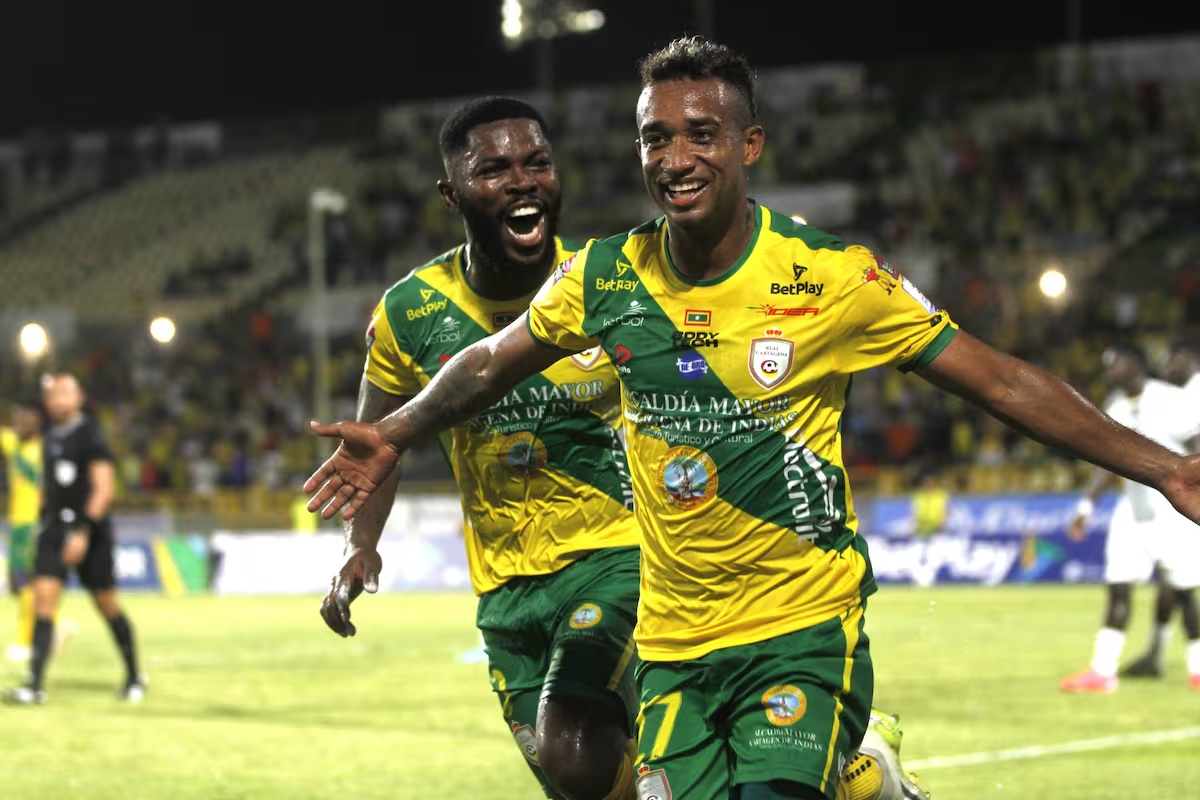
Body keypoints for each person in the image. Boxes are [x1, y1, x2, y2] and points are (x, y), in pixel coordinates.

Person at [303, 37, 1200, 800]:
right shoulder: (606, 278)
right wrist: (396, 431)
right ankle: (866, 777)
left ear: (749, 144)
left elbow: (1000, 382)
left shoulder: (831, 277)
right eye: (656, 137)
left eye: (702, 135)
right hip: (674, 642)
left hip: (797, 624)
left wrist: (1162, 467)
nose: (677, 157)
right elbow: (489, 362)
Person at [318, 96, 642, 800]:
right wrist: (357, 544)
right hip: (503, 593)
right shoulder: (412, 311)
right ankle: (845, 771)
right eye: (494, 169)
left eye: (538, 163)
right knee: (584, 783)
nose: (522, 181)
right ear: (452, 193)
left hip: (619, 559)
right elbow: (378, 444)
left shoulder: (608, 284)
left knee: (573, 749)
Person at [1061, 342, 1200, 691]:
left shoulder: (1169, 398)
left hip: (1171, 512)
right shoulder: (1116, 407)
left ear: (1135, 365)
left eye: (1115, 364)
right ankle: (1103, 671)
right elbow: (1107, 465)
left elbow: (1196, 443)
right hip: (1131, 510)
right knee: (1118, 587)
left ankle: (1197, 668)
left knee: (1184, 592)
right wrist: (1086, 506)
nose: (1109, 372)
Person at [3, 374, 145, 705]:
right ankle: (34, 684)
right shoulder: (49, 436)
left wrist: (82, 530)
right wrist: (44, 517)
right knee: (43, 602)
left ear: (79, 397)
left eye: (65, 393)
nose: (57, 399)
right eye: (52, 394)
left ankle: (133, 674)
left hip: (89, 531)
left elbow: (103, 488)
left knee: (106, 604)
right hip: (53, 529)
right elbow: (48, 485)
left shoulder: (91, 435)